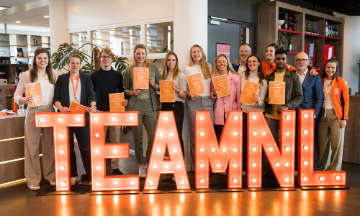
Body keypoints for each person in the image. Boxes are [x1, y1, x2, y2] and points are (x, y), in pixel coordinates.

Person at [14, 48, 57, 190]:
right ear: (35, 60)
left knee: (49, 146)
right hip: (33, 111)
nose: (42, 61)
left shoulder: (53, 75)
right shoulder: (26, 75)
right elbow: (16, 95)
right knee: (32, 146)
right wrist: (23, 99)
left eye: (45, 58)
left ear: (48, 60)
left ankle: (50, 175)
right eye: (39, 58)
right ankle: (33, 178)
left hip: (49, 111)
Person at [53, 54, 97, 185]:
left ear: (80, 65)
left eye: (77, 63)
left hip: (82, 118)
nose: (75, 65)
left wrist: (93, 106)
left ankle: (91, 176)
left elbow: (92, 94)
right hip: (66, 118)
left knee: (86, 148)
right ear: (68, 64)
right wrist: (61, 108)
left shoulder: (86, 78)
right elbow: (55, 98)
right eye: (72, 63)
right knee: (68, 148)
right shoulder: (61, 79)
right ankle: (73, 175)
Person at [124, 44, 160, 178]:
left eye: (143, 53)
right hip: (135, 106)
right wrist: (131, 92)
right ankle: (141, 165)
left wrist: (154, 85)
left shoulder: (153, 68)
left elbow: (159, 86)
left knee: (153, 137)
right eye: (138, 53)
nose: (140, 56)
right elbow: (125, 89)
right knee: (137, 137)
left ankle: (149, 162)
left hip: (150, 105)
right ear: (134, 55)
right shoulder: (129, 70)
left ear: (146, 55)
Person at [91, 48, 128, 175]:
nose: (106, 59)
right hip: (99, 112)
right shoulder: (94, 76)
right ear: (100, 59)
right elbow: (91, 94)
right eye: (103, 56)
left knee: (115, 140)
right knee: (98, 142)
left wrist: (124, 101)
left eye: (108, 57)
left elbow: (121, 92)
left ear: (112, 59)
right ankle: (98, 166)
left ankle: (115, 166)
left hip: (114, 113)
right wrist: (93, 106)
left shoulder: (117, 75)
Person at [184, 44, 213, 171]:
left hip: (207, 101)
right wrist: (190, 95)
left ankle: (207, 165)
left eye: (198, 51)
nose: (196, 54)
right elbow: (185, 89)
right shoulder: (187, 68)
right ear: (191, 55)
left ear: (202, 53)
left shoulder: (208, 66)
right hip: (194, 102)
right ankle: (196, 167)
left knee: (208, 135)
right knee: (194, 135)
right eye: (194, 52)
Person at [316, 58, 349, 171]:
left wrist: (344, 118)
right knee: (322, 146)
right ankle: (321, 169)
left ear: (336, 69)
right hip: (322, 116)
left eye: (333, 67)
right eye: (328, 67)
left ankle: (334, 170)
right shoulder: (320, 81)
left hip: (336, 117)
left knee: (336, 145)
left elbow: (346, 101)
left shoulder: (341, 82)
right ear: (325, 68)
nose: (330, 69)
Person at [265, 49, 303, 144]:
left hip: (287, 116)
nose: (280, 61)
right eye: (278, 59)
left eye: (283, 59)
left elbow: (299, 97)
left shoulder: (294, 77)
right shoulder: (269, 77)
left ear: (286, 61)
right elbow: (265, 95)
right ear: (275, 60)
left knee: (286, 145)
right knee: (271, 144)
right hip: (270, 116)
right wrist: (265, 99)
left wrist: (287, 106)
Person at [294, 52, 324, 170]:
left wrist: (314, 114)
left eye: (304, 60)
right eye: (299, 60)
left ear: (308, 62)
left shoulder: (315, 77)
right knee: (293, 142)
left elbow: (319, 98)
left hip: (308, 115)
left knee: (309, 143)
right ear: (295, 62)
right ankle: (297, 168)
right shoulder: (290, 75)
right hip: (292, 114)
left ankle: (310, 169)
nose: (301, 62)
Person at [240, 54, 267, 173]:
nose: (251, 63)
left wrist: (258, 101)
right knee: (245, 141)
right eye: (249, 61)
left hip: (259, 115)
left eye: (254, 61)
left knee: (257, 142)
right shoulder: (242, 76)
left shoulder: (264, 81)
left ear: (259, 63)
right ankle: (245, 168)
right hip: (245, 113)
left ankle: (256, 167)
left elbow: (262, 103)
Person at [161, 51, 187, 155]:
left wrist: (177, 91)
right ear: (166, 61)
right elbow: (160, 91)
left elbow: (184, 95)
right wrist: (154, 85)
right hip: (165, 106)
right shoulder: (162, 75)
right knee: (165, 135)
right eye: (169, 60)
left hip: (176, 106)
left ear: (176, 62)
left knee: (177, 134)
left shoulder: (181, 75)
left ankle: (180, 163)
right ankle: (170, 160)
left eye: (173, 60)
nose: (171, 62)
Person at [211, 54, 241, 142]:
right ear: (216, 64)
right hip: (219, 112)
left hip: (232, 111)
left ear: (227, 63)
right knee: (219, 139)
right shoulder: (213, 77)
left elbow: (239, 97)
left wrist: (239, 113)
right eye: (219, 62)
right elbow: (212, 97)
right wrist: (214, 94)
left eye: (224, 61)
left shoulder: (236, 77)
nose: (221, 63)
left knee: (232, 140)